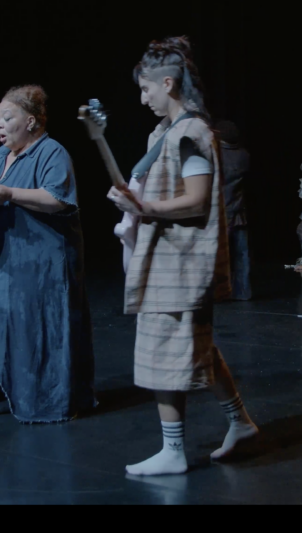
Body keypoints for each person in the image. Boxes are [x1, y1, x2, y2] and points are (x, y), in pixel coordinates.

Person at [93, 37, 258, 475]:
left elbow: (197, 200)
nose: (143, 98)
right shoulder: (165, 133)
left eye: (146, 89)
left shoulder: (190, 133)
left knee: (161, 353)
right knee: (197, 345)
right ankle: (240, 422)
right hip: (166, 259)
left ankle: (173, 451)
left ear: (168, 83)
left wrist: (143, 207)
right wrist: (134, 199)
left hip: (180, 264)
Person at [0, 85, 96, 423]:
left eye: (7, 117)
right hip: (0, 263)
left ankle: (48, 401)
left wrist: (11, 193)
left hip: (38, 264)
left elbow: (58, 199)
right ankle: (4, 393)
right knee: (0, 326)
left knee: (36, 330)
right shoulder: (1, 156)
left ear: (31, 121)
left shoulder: (51, 152)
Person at [215, 120, 251, 300]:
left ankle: (217, 293)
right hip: (239, 211)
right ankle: (243, 292)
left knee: (218, 255)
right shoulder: (244, 155)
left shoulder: (216, 154)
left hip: (221, 212)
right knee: (242, 254)